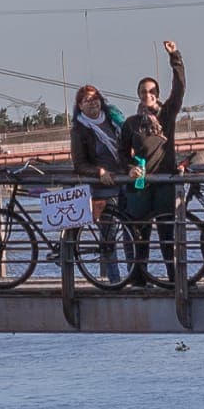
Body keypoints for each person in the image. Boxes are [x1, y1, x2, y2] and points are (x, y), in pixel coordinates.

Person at [118, 40, 186, 286]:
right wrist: (129, 168)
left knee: (168, 234)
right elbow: (121, 152)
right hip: (140, 184)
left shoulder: (167, 115)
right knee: (139, 234)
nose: (147, 95)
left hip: (164, 181)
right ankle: (139, 280)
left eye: (151, 91)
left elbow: (179, 89)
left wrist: (175, 57)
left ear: (157, 94)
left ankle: (174, 280)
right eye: (143, 91)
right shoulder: (131, 123)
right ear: (138, 95)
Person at [70, 84, 127, 284]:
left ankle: (136, 276)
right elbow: (79, 164)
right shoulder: (79, 129)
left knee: (131, 231)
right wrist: (99, 172)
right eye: (87, 100)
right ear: (80, 105)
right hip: (101, 188)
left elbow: (127, 145)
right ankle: (115, 280)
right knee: (109, 236)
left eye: (95, 98)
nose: (92, 103)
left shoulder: (113, 120)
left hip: (124, 181)